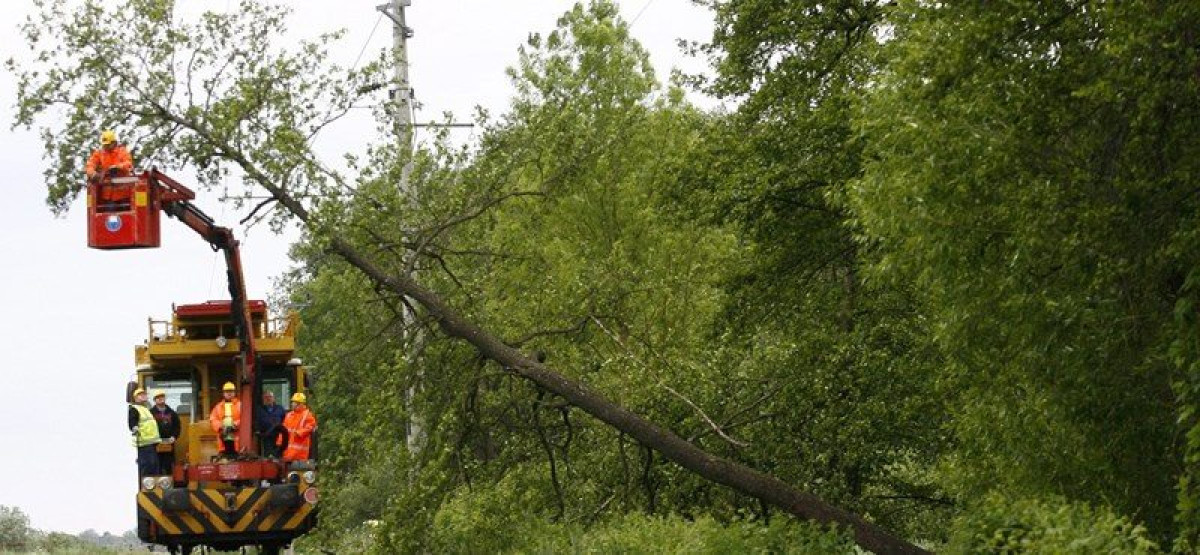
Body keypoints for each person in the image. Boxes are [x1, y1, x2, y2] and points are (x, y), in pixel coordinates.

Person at [128, 388, 161, 477]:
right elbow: (132, 420)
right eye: (140, 394)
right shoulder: (134, 408)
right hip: (144, 442)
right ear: (135, 398)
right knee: (148, 465)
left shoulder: (145, 408)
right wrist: (134, 427)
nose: (143, 395)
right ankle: (148, 485)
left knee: (154, 465)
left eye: (144, 394)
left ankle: (152, 483)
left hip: (150, 442)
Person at [208, 382, 242, 459]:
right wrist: (221, 427)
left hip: (238, 439)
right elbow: (213, 419)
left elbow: (245, 418)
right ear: (223, 393)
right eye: (227, 391)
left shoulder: (241, 405)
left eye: (231, 391)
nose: (229, 393)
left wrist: (235, 424)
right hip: (223, 438)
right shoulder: (218, 407)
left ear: (234, 393)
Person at [150, 390, 181, 473]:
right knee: (157, 465)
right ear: (154, 400)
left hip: (169, 443)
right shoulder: (150, 413)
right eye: (158, 397)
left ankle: (170, 483)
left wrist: (174, 437)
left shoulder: (172, 413)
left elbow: (177, 426)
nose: (160, 399)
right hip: (155, 444)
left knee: (169, 465)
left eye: (162, 396)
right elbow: (148, 428)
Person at [281, 392, 317, 462]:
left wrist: (299, 433)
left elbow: (311, 426)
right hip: (287, 453)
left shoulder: (307, 415)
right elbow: (283, 430)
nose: (292, 404)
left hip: (300, 454)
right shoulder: (289, 415)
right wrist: (279, 443)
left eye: (293, 402)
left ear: (299, 404)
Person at [255, 390, 286, 458]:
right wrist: (257, 430)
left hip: (278, 435)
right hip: (266, 436)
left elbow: (285, 420)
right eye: (266, 397)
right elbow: (256, 421)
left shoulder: (280, 408)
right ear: (263, 399)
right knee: (267, 455)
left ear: (274, 398)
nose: (268, 399)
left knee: (278, 454)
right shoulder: (259, 409)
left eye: (270, 397)